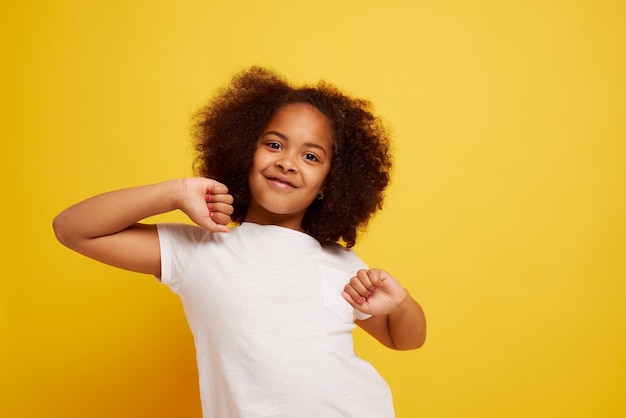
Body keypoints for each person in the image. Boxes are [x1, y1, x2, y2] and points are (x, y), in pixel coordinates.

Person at [53, 67, 426, 418]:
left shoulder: (340, 262)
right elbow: (73, 228)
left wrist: (401, 303)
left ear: (331, 183)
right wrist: (175, 192)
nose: (288, 162)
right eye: (274, 145)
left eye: (311, 156)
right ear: (245, 151)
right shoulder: (199, 249)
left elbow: (403, 339)